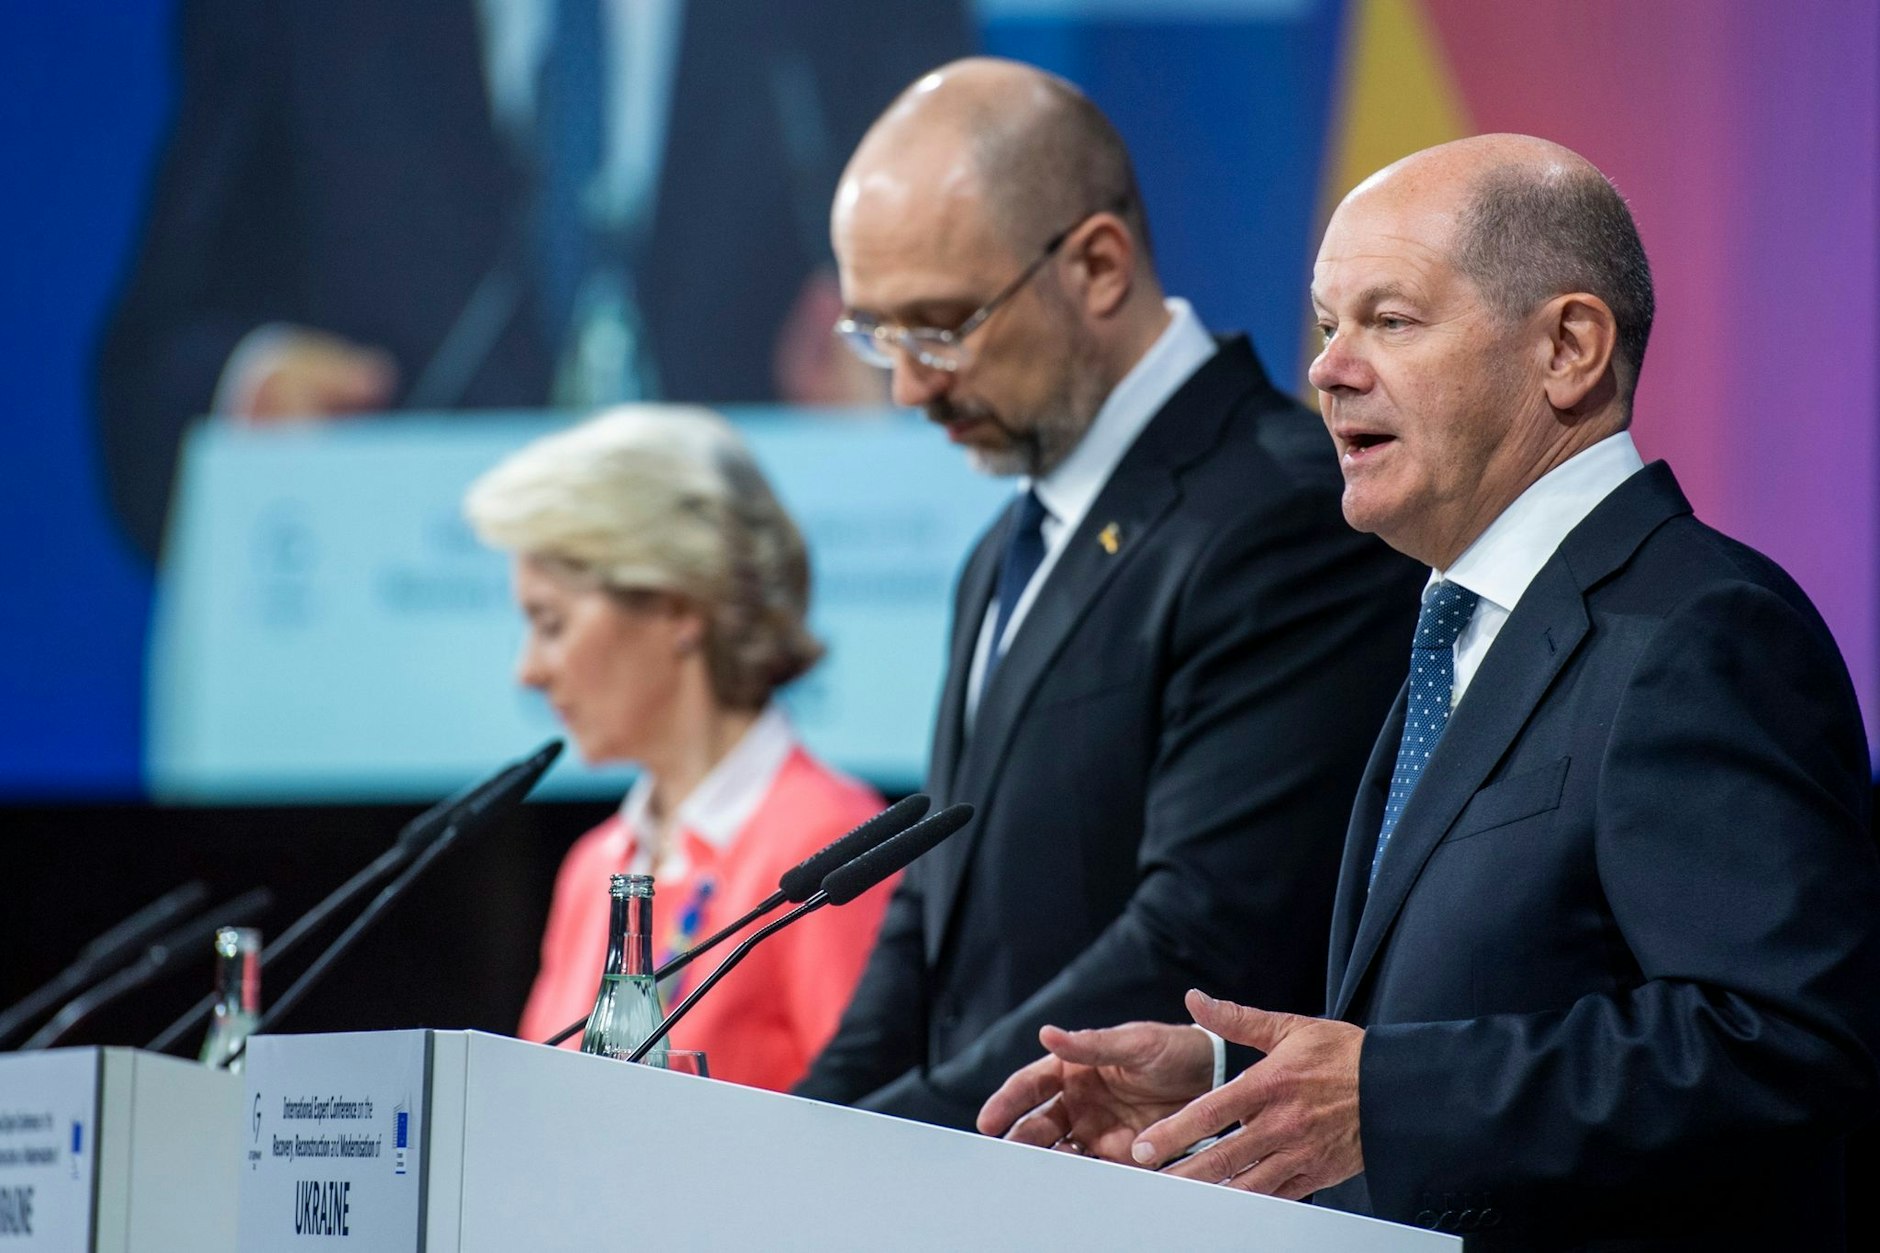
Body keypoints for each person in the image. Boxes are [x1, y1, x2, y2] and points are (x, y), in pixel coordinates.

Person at [978, 134, 1880, 1249]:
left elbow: (1781, 1040)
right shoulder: (1460, 627)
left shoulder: (1698, 631)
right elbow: (1466, 1015)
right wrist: (1231, 1089)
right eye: (1325, 325)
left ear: (1567, 347)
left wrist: (1390, 1098)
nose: (1327, 368)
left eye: (1389, 321)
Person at [791, 59, 1423, 1130]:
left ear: (1094, 264)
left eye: (940, 326)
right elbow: (927, 918)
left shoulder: (1284, 510)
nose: (908, 386)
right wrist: (795, 1137)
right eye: (878, 338)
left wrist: (891, 1144)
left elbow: (1199, 937)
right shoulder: (1003, 547)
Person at [96, 0, 972, 560]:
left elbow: (992, 351)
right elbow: (154, 371)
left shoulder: (853, 23)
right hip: (409, 713)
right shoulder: (304, 21)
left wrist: (905, 380)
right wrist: (252, 392)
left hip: (758, 710)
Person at [463, 407, 892, 1092]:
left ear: (677, 609)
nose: (529, 670)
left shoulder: (827, 841)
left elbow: (876, 1136)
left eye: (551, 623)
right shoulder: (595, 866)